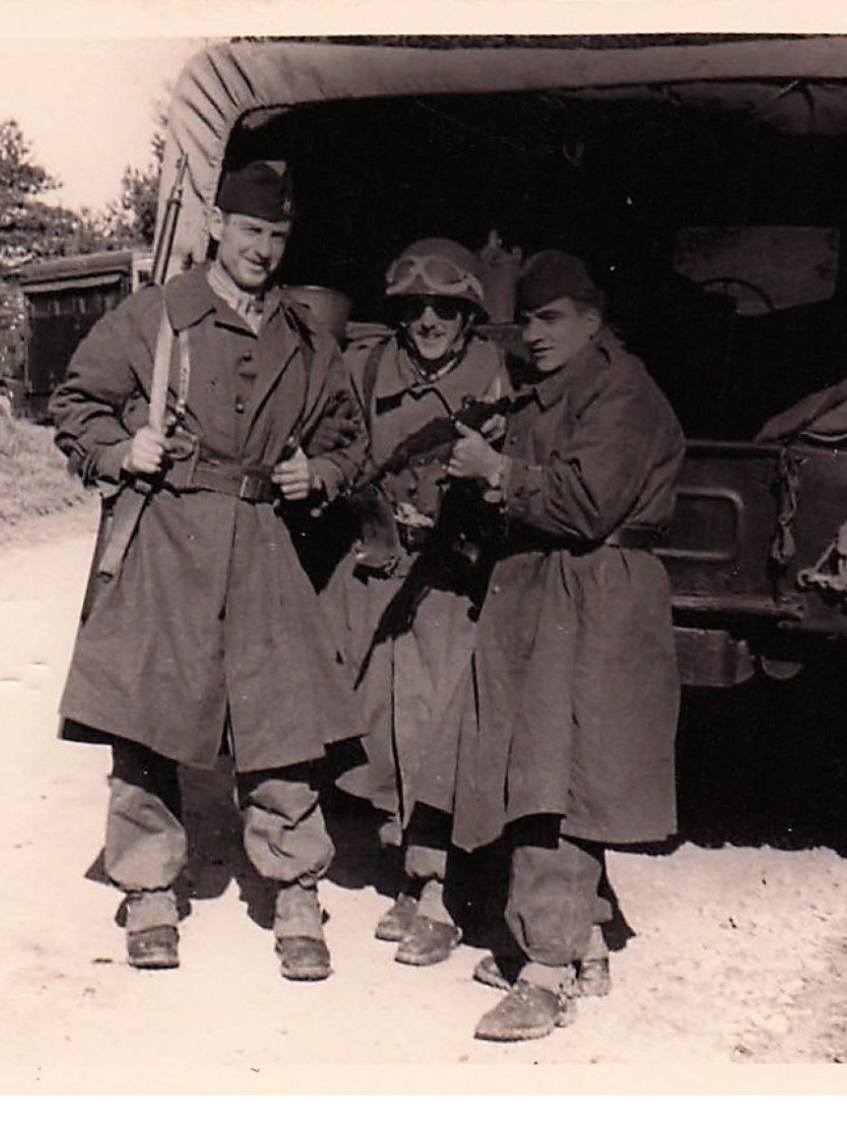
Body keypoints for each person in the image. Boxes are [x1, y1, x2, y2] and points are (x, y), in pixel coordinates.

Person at [49, 160, 370, 982]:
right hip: (169, 536)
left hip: (263, 542)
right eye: (251, 230)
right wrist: (123, 451)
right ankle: (151, 890)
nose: (263, 249)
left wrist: (321, 475)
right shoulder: (158, 316)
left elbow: (348, 437)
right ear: (218, 227)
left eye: (277, 235)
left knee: (282, 726)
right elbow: (75, 403)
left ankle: (296, 888)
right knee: (147, 719)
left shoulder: (304, 337)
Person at [445, 250, 685, 1041]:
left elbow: (585, 502)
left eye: (551, 320)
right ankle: (584, 944)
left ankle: (546, 972)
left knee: (558, 778)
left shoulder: (622, 390)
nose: (535, 336)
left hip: (595, 597)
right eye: (527, 322)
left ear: (593, 317)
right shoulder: (557, 388)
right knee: (548, 768)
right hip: (552, 591)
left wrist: (498, 471)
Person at [326, 238, 508, 967]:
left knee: (440, 728)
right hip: (378, 567)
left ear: (469, 314)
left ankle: (446, 892)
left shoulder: (499, 375)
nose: (429, 320)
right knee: (380, 723)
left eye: (446, 307)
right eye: (415, 307)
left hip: (454, 576)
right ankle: (411, 868)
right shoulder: (368, 366)